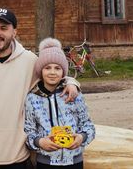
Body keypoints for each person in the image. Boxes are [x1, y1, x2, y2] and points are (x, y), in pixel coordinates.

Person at [0, 8, 80, 169]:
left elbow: (52, 77)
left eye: (4, 28)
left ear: (14, 32)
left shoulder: (29, 61)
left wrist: (71, 82)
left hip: (16, 156)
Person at [24, 38, 95, 169]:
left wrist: (82, 137)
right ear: (40, 71)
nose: (52, 72)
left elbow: (88, 125)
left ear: (63, 71)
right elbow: (28, 132)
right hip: (45, 162)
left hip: (74, 161)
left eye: (57, 68)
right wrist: (39, 142)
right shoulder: (32, 99)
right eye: (47, 68)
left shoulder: (74, 94)